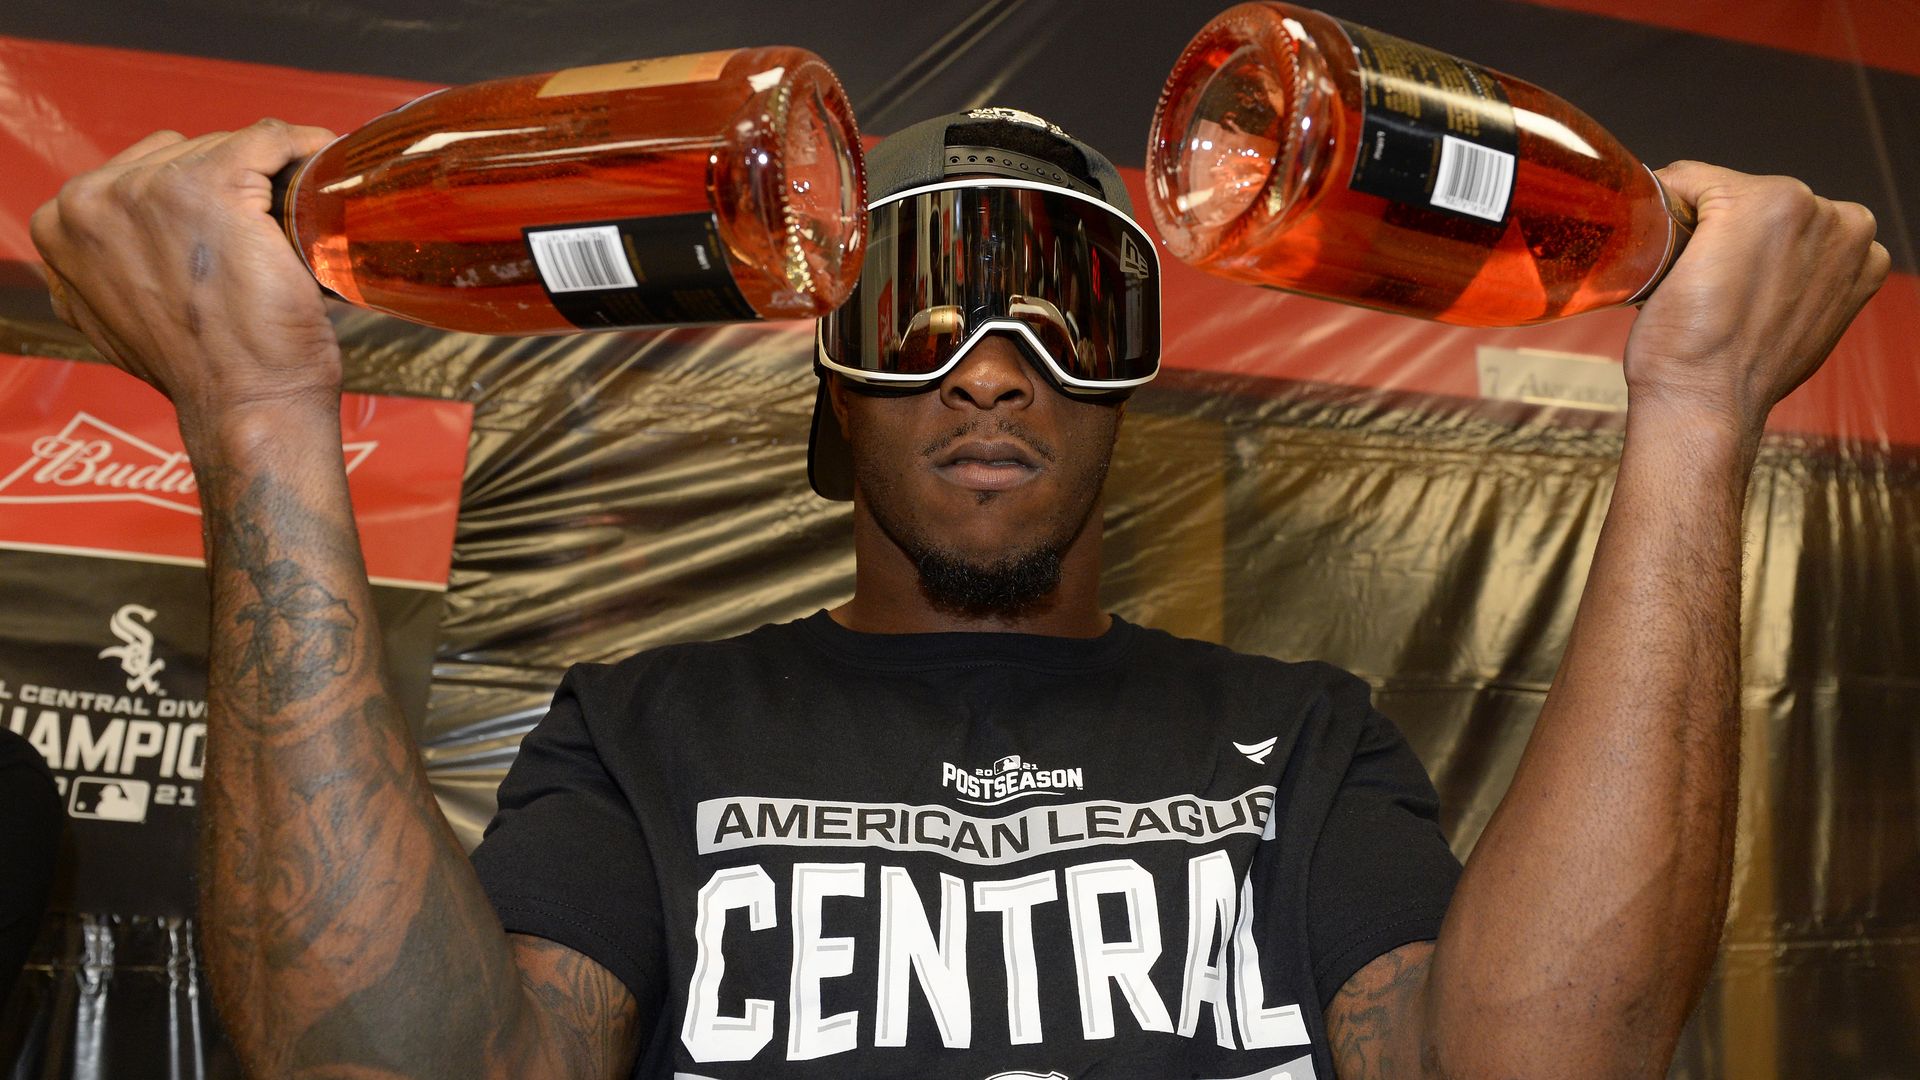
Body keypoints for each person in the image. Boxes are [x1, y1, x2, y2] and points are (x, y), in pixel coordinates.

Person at [28, 99, 1884, 1079]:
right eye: (925, 304)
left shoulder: (1298, 738)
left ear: (1128, 386)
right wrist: (266, 416)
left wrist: (1699, 406)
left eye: (1063, 307)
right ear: (835, 383)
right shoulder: (647, 729)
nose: (991, 363)